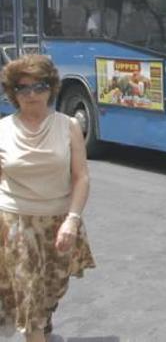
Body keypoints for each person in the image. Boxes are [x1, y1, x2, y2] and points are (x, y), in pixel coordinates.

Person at [0, 55, 95, 341]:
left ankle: (44, 320)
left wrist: (72, 220)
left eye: (39, 87)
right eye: (23, 88)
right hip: (15, 224)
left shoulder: (69, 126)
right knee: (31, 303)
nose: (31, 95)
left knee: (50, 292)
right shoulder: (2, 128)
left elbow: (81, 177)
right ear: (13, 93)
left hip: (57, 224)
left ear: (50, 89)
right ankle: (37, 329)